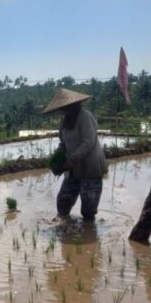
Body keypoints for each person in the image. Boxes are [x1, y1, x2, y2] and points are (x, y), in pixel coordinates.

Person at [43, 88, 107, 221]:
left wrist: (70, 161)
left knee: (88, 209)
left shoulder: (85, 117)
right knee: (63, 202)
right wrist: (58, 159)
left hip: (90, 168)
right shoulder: (65, 121)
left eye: (64, 108)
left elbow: (87, 142)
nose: (62, 111)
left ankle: (89, 234)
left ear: (72, 105)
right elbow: (63, 143)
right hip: (72, 170)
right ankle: (65, 227)